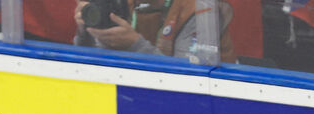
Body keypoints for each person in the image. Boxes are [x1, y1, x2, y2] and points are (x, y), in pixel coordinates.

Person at [74, 0, 236, 63]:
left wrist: (135, 45)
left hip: (208, 103)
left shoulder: (201, 9)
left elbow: (190, 79)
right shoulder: (120, 3)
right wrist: (88, 31)